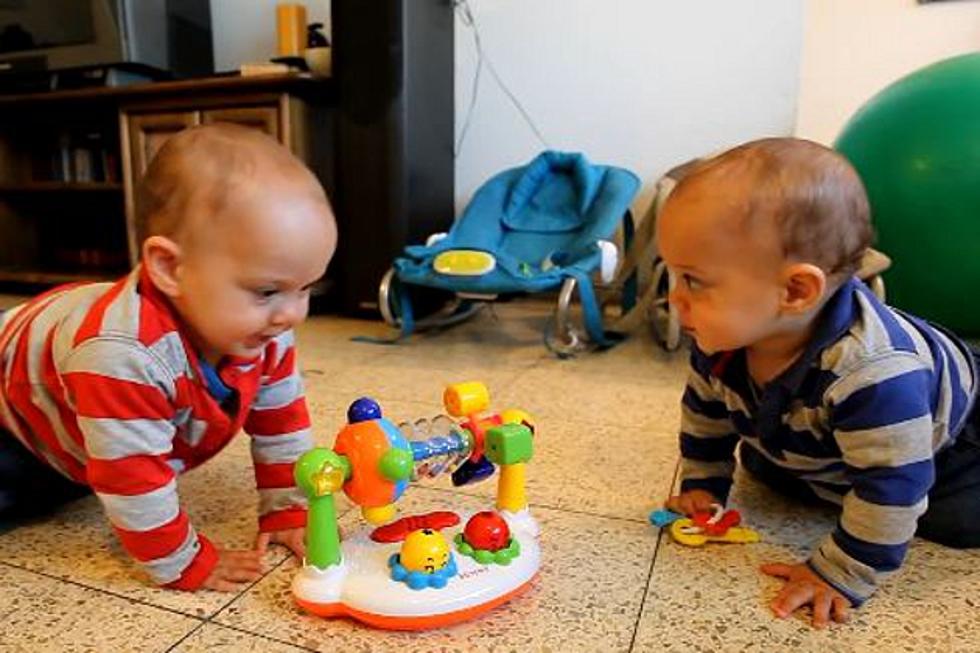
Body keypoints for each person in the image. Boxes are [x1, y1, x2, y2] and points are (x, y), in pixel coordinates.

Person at [0, 123, 337, 592]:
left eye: (307, 288)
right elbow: (131, 478)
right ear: (169, 268)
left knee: (105, 455)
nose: (292, 314)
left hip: (73, 400)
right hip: (13, 407)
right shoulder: (121, 355)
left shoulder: (265, 328)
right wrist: (183, 562)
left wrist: (288, 506)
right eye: (267, 291)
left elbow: (282, 422)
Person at [658, 137, 979, 628]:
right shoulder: (722, 335)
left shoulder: (872, 375)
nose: (674, 299)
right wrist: (704, 483)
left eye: (693, 280)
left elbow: (895, 487)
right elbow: (706, 417)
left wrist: (839, 573)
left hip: (952, 434)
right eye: (673, 276)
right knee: (768, 465)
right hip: (844, 418)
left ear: (795, 290)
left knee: (950, 517)